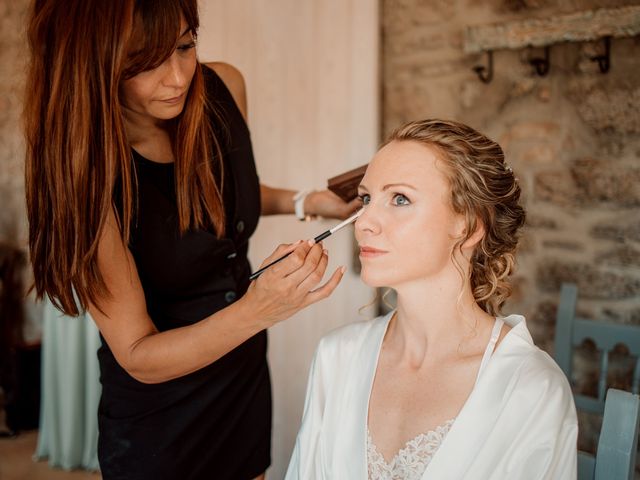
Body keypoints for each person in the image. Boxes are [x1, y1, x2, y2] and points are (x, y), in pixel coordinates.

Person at [24, 0, 359, 479]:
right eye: (143, 63)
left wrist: (307, 201)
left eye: (185, 46)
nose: (178, 78)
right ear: (93, 65)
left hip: (241, 375)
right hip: (161, 414)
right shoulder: (87, 181)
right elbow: (138, 355)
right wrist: (259, 309)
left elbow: (217, 193)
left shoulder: (223, 88)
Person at [285, 119, 578, 479]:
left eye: (400, 198)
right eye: (366, 199)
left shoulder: (530, 389)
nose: (363, 223)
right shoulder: (336, 357)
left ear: (468, 226)